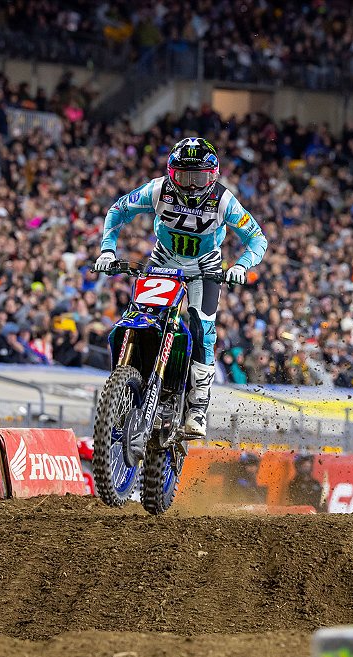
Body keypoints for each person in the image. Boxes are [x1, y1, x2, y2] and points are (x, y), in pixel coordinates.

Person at [94, 137, 267, 439]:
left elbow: (257, 238)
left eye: (198, 178)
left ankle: (198, 406)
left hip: (205, 268)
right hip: (163, 260)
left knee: (202, 329)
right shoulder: (157, 189)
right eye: (183, 177)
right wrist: (108, 251)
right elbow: (117, 211)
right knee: (140, 315)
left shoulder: (224, 201)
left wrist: (240, 266)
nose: (190, 186)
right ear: (171, 173)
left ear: (212, 176)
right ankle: (134, 378)